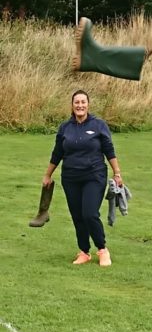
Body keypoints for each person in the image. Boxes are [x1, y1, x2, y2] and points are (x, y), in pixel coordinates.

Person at [42, 90, 123, 266]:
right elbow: (57, 153)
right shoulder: (65, 127)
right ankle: (84, 252)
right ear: (72, 105)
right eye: (76, 102)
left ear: (88, 104)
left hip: (94, 175)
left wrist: (117, 173)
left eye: (83, 102)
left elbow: (109, 150)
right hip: (70, 177)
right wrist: (48, 174)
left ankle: (102, 250)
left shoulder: (99, 125)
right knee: (77, 215)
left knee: (89, 213)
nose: (80, 105)